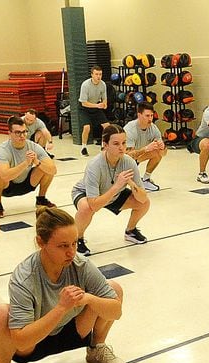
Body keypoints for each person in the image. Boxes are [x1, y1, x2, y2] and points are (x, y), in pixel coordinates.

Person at [0, 207, 126, 363]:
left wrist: (89, 298)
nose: (71, 252)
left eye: (75, 243)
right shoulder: (24, 277)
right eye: (63, 246)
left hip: (75, 331)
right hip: (34, 342)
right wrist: (61, 308)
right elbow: (21, 341)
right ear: (41, 243)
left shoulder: (81, 264)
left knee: (113, 290)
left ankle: (96, 349)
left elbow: (116, 312)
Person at [71, 124, 151, 256]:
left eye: (124, 143)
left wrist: (130, 183)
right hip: (86, 194)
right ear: (105, 145)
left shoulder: (129, 162)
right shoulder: (94, 165)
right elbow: (94, 205)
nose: (121, 147)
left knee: (144, 203)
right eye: (116, 143)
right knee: (86, 208)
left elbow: (142, 198)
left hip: (114, 193)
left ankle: (130, 231)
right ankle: (77, 239)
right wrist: (117, 186)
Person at [0, 116, 57, 218]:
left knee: (45, 167)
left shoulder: (33, 146)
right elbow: (4, 176)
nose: (22, 136)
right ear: (9, 133)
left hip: (28, 183)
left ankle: (41, 199)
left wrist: (37, 162)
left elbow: (53, 170)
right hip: (8, 186)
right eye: (18, 133)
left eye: (24, 132)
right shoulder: (3, 149)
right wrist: (26, 163)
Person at [123, 102, 167, 192]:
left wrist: (163, 148)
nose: (150, 118)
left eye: (151, 115)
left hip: (136, 158)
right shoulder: (130, 129)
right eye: (147, 116)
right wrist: (146, 149)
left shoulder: (153, 128)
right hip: (123, 161)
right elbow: (128, 156)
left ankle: (146, 179)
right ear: (139, 115)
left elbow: (163, 154)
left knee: (157, 151)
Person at [78, 66, 109, 156]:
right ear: (92, 75)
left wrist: (105, 104)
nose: (98, 76)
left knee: (107, 126)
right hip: (85, 108)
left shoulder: (103, 84)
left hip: (96, 107)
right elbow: (84, 103)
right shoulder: (85, 85)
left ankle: (104, 145)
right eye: (96, 74)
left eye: (100, 74)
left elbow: (104, 98)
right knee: (87, 127)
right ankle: (83, 147)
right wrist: (97, 105)